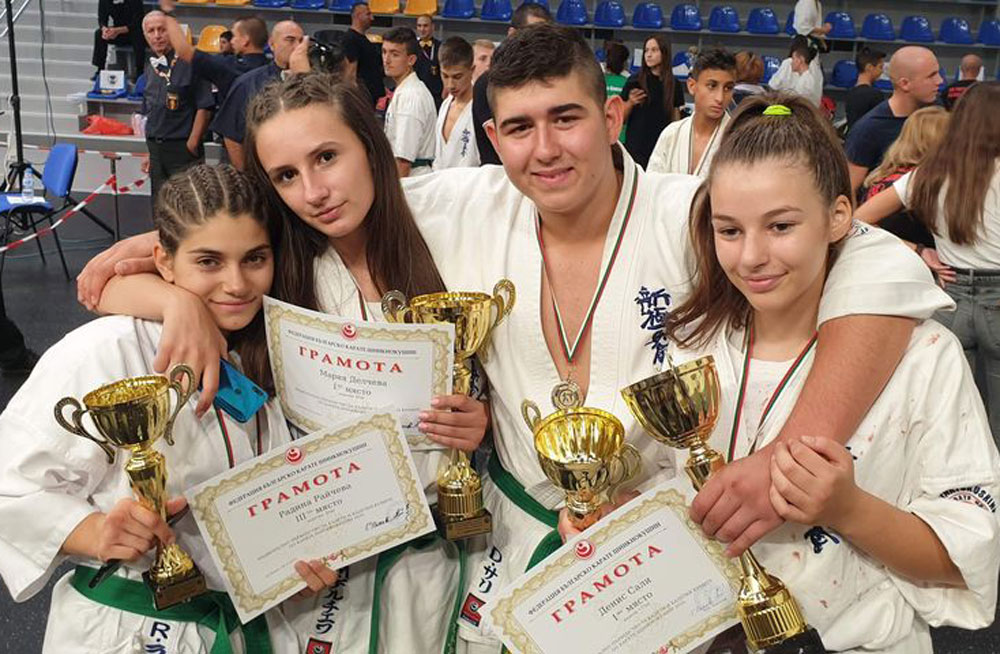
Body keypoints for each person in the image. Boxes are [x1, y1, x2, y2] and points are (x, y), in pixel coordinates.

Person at [77, 26, 951, 654]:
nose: (546, 149)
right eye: (521, 129)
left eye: (566, 118)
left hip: (666, 541)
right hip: (515, 537)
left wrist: (786, 462)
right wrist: (174, 290)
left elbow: (875, 263)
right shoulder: (461, 205)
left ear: (613, 116)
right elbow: (225, 245)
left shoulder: (697, 211)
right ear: (493, 139)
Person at [79, 75, 487, 654]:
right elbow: (106, 284)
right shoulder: (282, 257)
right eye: (286, 176)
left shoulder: (448, 224)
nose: (314, 191)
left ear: (370, 144)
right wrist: (177, 303)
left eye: (327, 157)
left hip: (442, 545)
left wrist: (477, 423)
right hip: (325, 556)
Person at [660, 94, 1000, 654]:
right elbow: (662, 491)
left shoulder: (924, 356)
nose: (751, 256)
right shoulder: (690, 342)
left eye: (780, 225)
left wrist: (849, 508)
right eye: (730, 230)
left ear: (839, 216)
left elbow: (965, 560)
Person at [0, 164, 339, 653]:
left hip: (249, 625)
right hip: (132, 629)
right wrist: (95, 532)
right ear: (164, 261)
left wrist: (294, 561)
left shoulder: (272, 348)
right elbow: (11, 484)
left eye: (254, 259)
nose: (237, 283)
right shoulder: (107, 348)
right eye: (209, 261)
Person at [855, 83, 1000, 445]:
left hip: (949, 299)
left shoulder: (929, 173)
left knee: (953, 417)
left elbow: (858, 220)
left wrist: (919, 251)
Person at [845, 46, 942, 194]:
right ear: (905, 84)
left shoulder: (937, 114)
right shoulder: (868, 130)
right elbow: (848, 190)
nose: (940, 81)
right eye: (931, 76)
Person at [139, 11, 214, 201]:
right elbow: (148, 111)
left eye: (162, 30)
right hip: (156, 150)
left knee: (189, 204)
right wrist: (149, 152)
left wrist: (192, 144)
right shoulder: (151, 67)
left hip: (183, 148)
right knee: (160, 205)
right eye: (151, 31)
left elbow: (205, 106)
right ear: (145, 36)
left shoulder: (192, 62)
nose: (157, 36)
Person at [212, 20, 305, 170]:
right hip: (260, 170)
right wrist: (245, 174)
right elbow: (231, 135)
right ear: (272, 44)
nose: (297, 47)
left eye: (301, 41)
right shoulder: (248, 84)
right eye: (290, 40)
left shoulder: (313, 84)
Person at [471, 2, 552, 166]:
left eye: (544, 37)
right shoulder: (487, 83)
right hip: (499, 174)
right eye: (532, 35)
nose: (538, 44)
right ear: (512, 34)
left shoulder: (548, 83)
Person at [859, 105, 948, 247]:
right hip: (905, 256)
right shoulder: (921, 182)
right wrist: (917, 249)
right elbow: (859, 223)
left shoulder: (879, 175)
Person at [648, 48, 736, 178]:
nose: (720, 98)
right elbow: (652, 184)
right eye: (712, 86)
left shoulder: (739, 140)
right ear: (692, 86)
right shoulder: (672, 134)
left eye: (728, 88)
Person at [163, 14, 269, 101]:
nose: (232, 41)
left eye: (235, 36)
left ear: (245, 40)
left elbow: (184, 51)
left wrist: (168, 16)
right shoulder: (272, 70)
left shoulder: (230, 66)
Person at [621, 35, 685, 168]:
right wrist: (630, 102)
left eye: (654, 50)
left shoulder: (674, 84)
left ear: (664, 53)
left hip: (662, 148)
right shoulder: (635, 81)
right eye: (646, 50)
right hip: (636, 148)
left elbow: (675, 118)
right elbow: (621, 118)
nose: (648, 55)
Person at [382, 27, 437, 177]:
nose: (386, 60)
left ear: (411, 60)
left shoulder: (411, 96)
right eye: (384, 52)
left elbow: (403, 161)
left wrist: (392, 191)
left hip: (412, 180)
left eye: (394, 54)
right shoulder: (406, 90)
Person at [434, 37, 479, 170]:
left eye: (457, 77)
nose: (450, 85)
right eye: (445, 76)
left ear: (472, 70)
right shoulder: (445, 105)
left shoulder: (480, 109)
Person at [343, 2, 385, 107]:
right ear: (358, 16)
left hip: (370, 95)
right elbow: (350, 72)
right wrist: (353, 99)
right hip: (362, 98)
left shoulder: (363, 39)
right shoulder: (351, 39)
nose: (372, 18)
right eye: (368, 14)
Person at [91, 0, 145, 83]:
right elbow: (102, 18)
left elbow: (138, 21)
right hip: (117, 31)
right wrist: (105, 29)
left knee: (138, 36)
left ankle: (139, 71)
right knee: (99, 34)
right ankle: (100, 69)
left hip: (133, 30)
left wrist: (118, 30)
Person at [768, 35, 823, 108]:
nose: (792, 62)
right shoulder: (816, 68)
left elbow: (773, 85)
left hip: (795, 108)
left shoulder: (788, 63)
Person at [845, 46, 886, 130]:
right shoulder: (875, 95)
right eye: (880, 67)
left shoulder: (851, 92)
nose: (882, 71)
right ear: (869, 67)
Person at [603, 41, 630, 144]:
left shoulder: (598, 79)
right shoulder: (629, 81)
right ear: (624, 62)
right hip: (620, 136)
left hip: (600, 134)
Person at [415, 14, 444, 109]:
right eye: (419, 26)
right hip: (416, 94)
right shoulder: (412, 47)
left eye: (425, 26)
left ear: (432, 27)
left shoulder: (441, 47)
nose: (422, 29)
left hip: (436, 94)